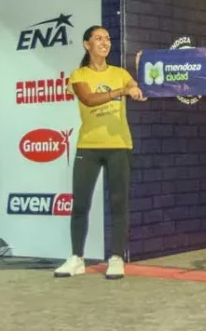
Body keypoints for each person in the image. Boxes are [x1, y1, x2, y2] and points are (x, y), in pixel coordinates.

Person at [55, 25, 145, 280]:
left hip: (119, 146)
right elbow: (88, 99)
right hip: (89, 146)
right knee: (80, 204)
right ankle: (76, 258)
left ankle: (116, 258)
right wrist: (120, 91)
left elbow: (139, 88)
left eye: (107, 38)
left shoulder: (121, 73)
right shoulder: (79, 74)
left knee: (118, 203)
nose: (105, 42)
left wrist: (141, 73)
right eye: (98, 38)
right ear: (87, 44)